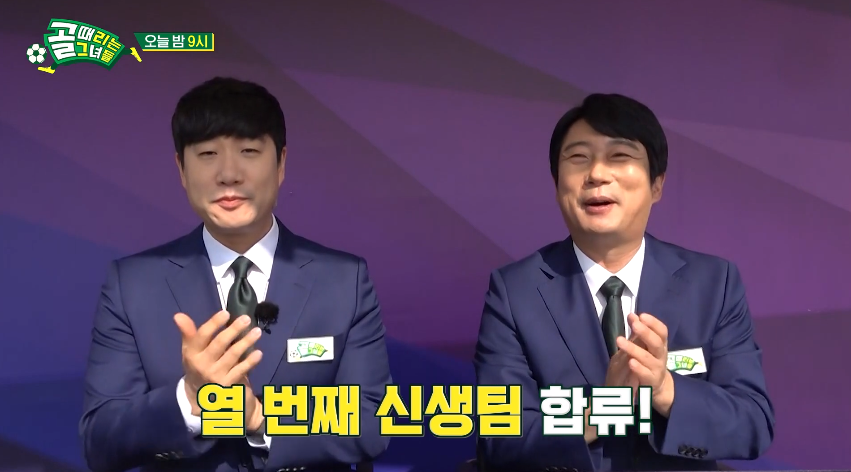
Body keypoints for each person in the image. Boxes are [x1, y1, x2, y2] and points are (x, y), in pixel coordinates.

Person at [79, 77, 392, 472]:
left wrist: (259, 419)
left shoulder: (344, 281)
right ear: (181, 168)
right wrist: (190, 398)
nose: (228, 174)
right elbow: (100, 441)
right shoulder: (133, 285)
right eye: (208, 153)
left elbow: (373, 421)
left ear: (280, 163)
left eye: (248, 151)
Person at [473, 93, 775, 471]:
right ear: (556, 183)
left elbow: (751, 423)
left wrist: (664, 389)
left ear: (657, 184)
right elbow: (499, 435)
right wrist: (605, 408)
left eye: (619, 156)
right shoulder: (515, 292)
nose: (597, 174)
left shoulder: (713, 284)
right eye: (578, 157)